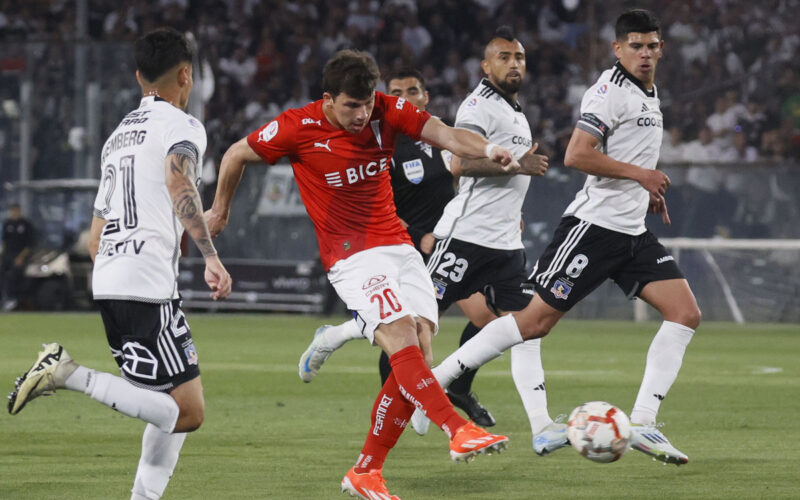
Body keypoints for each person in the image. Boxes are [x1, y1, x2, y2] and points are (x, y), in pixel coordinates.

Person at [205, 49, 511, 499]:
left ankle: (366, 471)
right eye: (351, 105)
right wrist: (220, 208)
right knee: (401, 337)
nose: (362, 114)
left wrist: (487, 148)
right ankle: (456, 428)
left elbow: (444, 134)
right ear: (328, 99)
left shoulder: (386, 110)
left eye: (367, 103)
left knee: (419, 352)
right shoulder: (298, 126)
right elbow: (234, 154)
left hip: (398, 247)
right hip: (350, 255)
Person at [424, 9, 701, 466]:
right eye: (636, 45)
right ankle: (440, 377)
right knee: (533, 323)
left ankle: (645, 423)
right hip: (592, 231)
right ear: (618, 48)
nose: (645, 53)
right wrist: (641, 175)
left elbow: (628, 159)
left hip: (632, 232)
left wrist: (644, 188)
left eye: (652, 45)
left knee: (685, 312)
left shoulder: (649, 94)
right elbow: (576, 154)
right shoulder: (609, 92)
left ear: (661, 48)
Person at [7, 28, 233, 500]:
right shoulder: (183, 125)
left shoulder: (116, 138)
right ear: (186, 76)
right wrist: (209, 254)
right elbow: (178, 182)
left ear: (137, 76)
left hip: (109, 277)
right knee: (186, 413)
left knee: (170, 404)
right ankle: (67, 372)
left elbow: (95, 237)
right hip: (146, 284)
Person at [297, 67, 498, 427]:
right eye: (396, 91)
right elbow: (371, 203)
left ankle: (448, 387)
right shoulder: (380, 140)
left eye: (412, 91)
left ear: (425, 98)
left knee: (482, 320)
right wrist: (419, 232)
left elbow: (461, 173)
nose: (404, 97)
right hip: (397, 245)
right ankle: (416, 401)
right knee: (403, 331)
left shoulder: (433, 139)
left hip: (445, 245)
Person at [410, 27, 562, 449]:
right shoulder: (479, 105)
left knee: (527, 329)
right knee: (418, 322)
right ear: (486, 65)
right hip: (466, 238)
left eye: (520, 57)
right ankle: (341, 341)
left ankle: (542, 426)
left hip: (505, 245)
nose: (514, 63)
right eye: (504, 57)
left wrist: (515, 207)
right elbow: (460, 164)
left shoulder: (515, 110)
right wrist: (519, 165)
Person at [1, 203, 34, 311]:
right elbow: (4, 242)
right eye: (12, 211)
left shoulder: (25, 224)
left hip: (20, 255)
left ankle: (12, 298)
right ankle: (3, 298)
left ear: (19, 211)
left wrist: (21, 257)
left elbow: (29, 245)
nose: (14, 213)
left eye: (16, 211)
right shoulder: (7, 224)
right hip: (7, 255)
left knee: (13, 274)